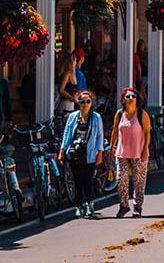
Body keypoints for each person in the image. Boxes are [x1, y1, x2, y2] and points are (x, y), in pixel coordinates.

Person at [58, 90, 104, 218]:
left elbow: (100, 136)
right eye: (82, 101)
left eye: (88, 101)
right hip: (75, 153)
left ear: (91, 103)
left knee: (88, 180)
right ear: (78, 102)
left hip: (89, 154)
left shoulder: (96, 117)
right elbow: (67, 134)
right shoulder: (73, 117)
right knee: (77, 181)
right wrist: (62, 151)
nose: (85, 104)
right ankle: (78, 206)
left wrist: (99, 153)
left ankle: (90, 205)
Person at [109, 88, 151, 218]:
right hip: (122, 152)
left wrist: (145, 150)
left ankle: (137, 207)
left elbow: (147, 132)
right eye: (128, 96)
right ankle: (124, 206)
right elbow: (115, 131)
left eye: (133, 96)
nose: (131, 98)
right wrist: (111, 146)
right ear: (123, 99)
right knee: (121, 179)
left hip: (138, 152)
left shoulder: (141, 114)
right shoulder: (119, 113)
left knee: (139, 182)